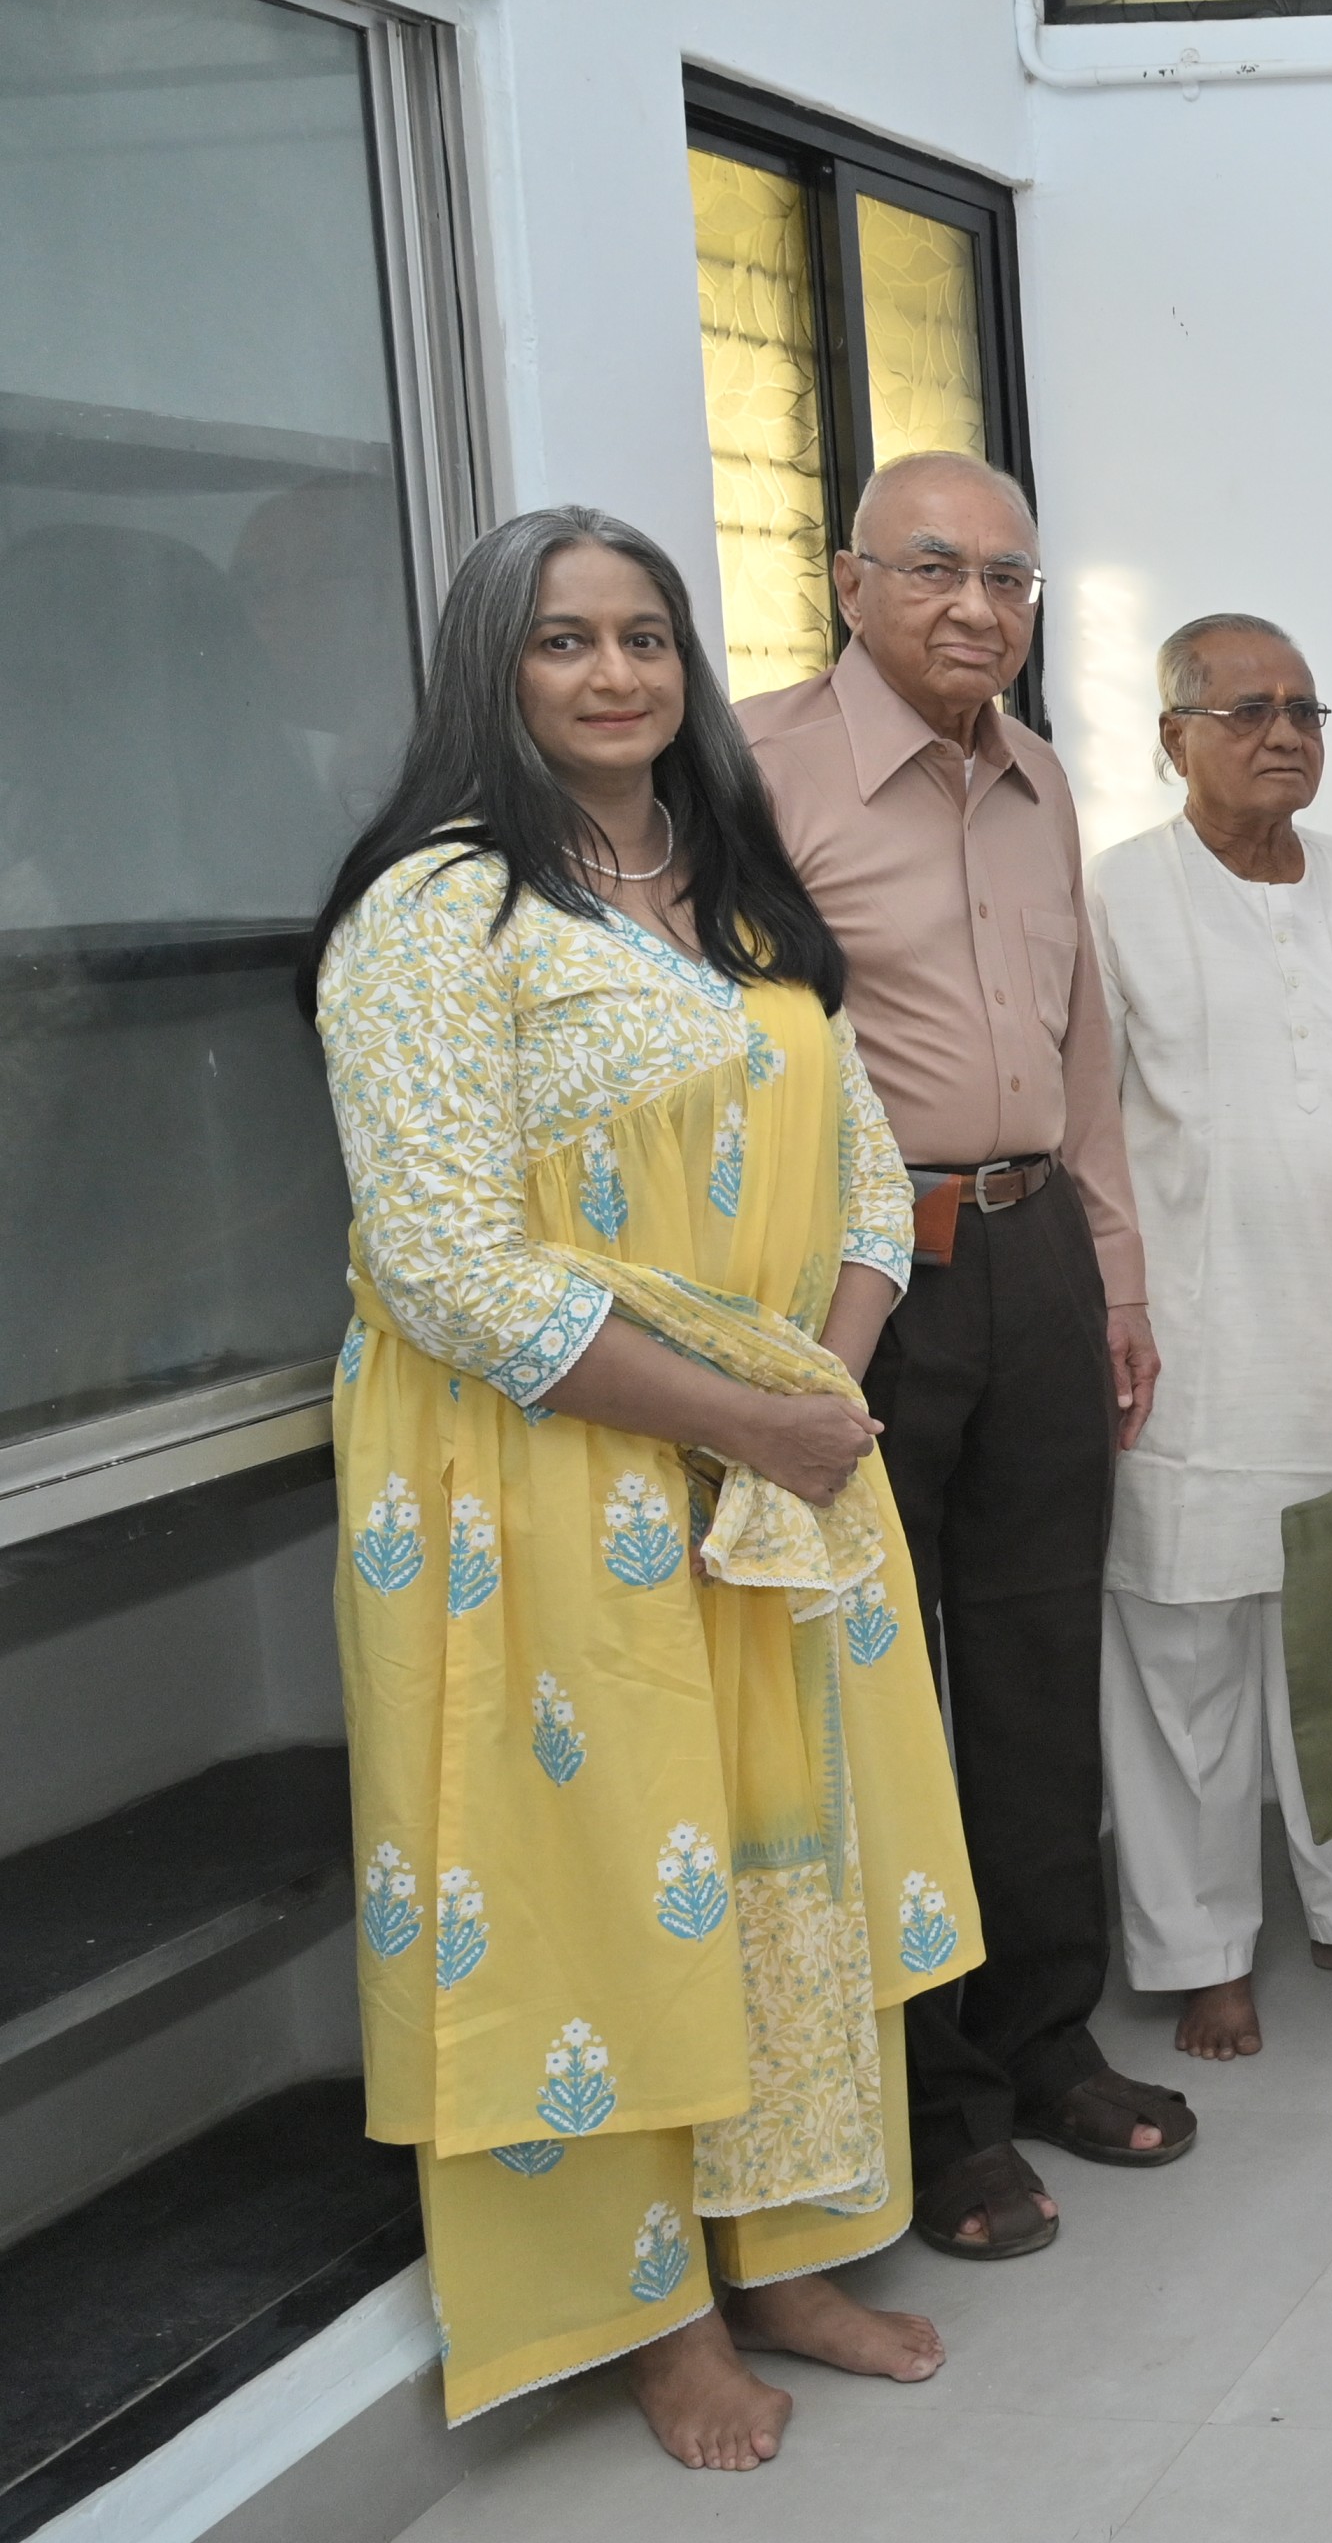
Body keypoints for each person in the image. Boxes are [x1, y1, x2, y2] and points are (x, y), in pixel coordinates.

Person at [305, 506, 975, 2469]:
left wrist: (811, 1402)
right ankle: (649, 2313)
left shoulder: (732, 883)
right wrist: (741, 1421)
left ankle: (786, 2249)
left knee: (777, 1858)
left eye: (645, 637)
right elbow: (443, 1262)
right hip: (545, 1481)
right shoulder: (436, 913)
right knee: (594, 1890)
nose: (614, 674)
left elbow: (864, 1167)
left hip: (770, 1465)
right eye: (563, 639)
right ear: (489, 672)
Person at [743, 454, 1187, 2264]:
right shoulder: (752, 772)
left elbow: (1082, 1056)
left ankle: (1044, 2036)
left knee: (1032, 1662)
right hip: (861, 1276)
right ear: (849, 580)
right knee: (876, 1693)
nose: (976, 607)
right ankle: (928, 2107)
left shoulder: (1040, 778)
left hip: (1034, 1252)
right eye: (935, 568)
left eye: (1010, 578)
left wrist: (1117, 1278)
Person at [1088, 614, 1332, 2060]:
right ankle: (1200, 1950)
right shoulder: (1120, 896)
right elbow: (1088, 1132)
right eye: (1246, 711)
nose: (1285, 733)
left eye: (1305, 709)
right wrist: (1112, 1304)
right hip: (1193, 1337)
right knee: (1185, 1651)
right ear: (1171, 737)